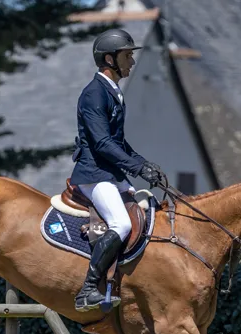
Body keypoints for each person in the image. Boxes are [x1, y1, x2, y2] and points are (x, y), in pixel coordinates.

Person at [70, 28, 168, 313]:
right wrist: (136, 167)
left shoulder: (112, 92)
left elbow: (119, 143)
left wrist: (145, 165)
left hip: (110, 173)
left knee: (147, 207)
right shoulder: (94, 94)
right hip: (94, 174)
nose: (132, 62)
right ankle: (88, 289)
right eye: (127, 56)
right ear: (109, 59)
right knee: (121, 224)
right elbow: (102, 143)